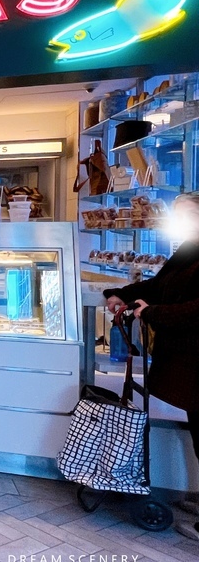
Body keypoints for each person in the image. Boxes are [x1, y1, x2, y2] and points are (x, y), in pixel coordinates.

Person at [104, 191, 199, 541]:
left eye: (190, 213)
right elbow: (158, 286)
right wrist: (121, 294)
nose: (184, 221)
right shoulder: (189, 249)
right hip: (187, 361)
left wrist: (153, 313)